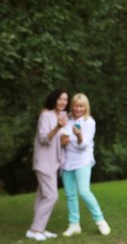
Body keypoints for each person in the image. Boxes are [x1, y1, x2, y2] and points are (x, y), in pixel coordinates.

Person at [60, 93, 111, 237]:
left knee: (84, 191)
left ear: (85, 107)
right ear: (72, 106)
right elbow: (62, 140)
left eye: (81, 106)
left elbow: (83, 146)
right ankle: (74, 224)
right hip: (67, 162)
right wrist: (63, 140)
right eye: (76, 105)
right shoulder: (67, 120)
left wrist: (78, 136)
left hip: (83, 160)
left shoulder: (89, 122)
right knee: (70, 195)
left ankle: (100, 220)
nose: (78, 109)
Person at [26, 89, 69, 241]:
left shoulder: (63, 115)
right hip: (43, 161)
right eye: (60, 99)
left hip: (54, 162)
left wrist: (67, 139)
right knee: (52, 196)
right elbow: (44, 138)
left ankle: (39, 229)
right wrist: (57, 127)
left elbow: (60, 140)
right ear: (54, 99)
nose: (63, 102)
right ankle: (35, 229)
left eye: (65, 100)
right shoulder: (45, 115)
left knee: (42, 196)